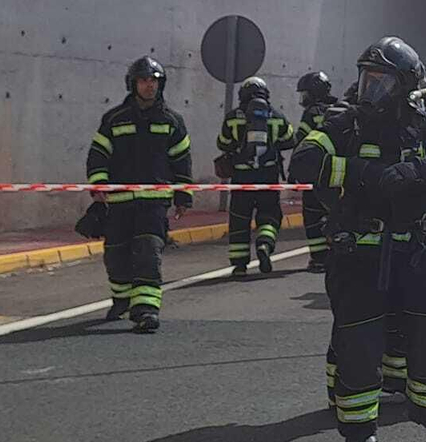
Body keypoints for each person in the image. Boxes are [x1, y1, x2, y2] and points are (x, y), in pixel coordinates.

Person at [289, 37, 426, 442]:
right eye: (367, 78)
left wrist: (423, 168)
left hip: (415, 250)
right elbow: (302, 162)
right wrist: (365, 173)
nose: (371, 87)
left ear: (405, 84)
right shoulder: (344, 124)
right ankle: (359, 435)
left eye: (382, 80)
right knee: (359, 344)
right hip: (357, 253)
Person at [85, 56, 194, 333]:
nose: (150, 86)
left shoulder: (171, 121)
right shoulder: (114, 119)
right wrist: (98, 185)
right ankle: (122, 299)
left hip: (153, 205)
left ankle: (146, 311)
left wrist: (183, 196)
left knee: (148, 253)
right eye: (144, 81)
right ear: (133, 84)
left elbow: (181, 161)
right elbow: (98, 155)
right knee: (115, 256)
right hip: (119, 204)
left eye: (154, 81)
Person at [217, 76, 296, 275]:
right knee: (270, 214)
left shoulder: (233, 117)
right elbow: (290, 140)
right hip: (268, 175)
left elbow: (223, 143)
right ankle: (264, 244)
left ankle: (240, 264)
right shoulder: (276, 116)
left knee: (239, 218)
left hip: (241, 177)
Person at [294, 71, 339, 273]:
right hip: (338, 173)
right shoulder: (340, 109)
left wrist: (295, 171)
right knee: (337, 213)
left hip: (315, 172)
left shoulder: (311, 113)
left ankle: (319, 259)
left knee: (312, 216)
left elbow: (301, 142)